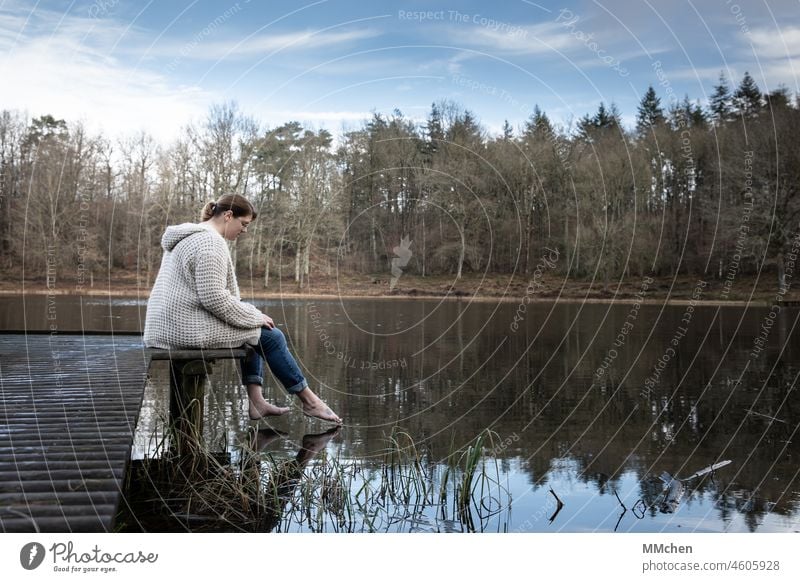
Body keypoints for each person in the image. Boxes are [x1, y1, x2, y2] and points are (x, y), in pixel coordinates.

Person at [143, 193, 342, 424]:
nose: (244, 230)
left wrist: (251, 316)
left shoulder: (187, 238)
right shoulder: (210, 242)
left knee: (252, 326)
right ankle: (310, 402)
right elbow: (214, 298)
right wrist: (254, 316)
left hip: (165, 326)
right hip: (184, 328)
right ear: (228, 216)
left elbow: (210, 297)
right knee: (272, 336)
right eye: (244, 224)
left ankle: (257, 402)